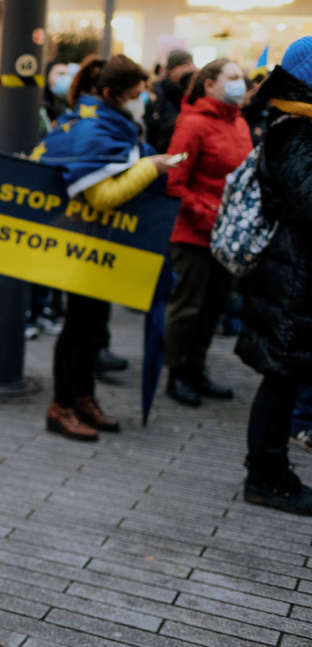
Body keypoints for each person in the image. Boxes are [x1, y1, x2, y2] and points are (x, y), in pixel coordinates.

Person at [33, 55, 178, 441]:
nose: (143, 100)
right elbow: (100, 196)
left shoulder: (110, 122)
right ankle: (61, 407)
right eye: (136, 94)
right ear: (113, 94)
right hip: (81, 242)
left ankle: (83, 398)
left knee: (94, 328)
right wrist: (151, 167)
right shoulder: (94, 127)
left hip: (100, 244)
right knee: (78, 329)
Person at [235, 37, 312, 514]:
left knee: (285, 377)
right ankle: (266, 477)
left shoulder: (297, 129)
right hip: (293, 279)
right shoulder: (294, 134)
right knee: (281, 378)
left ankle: (269, 471)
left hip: (296, 276)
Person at [164, 59, 252, 407]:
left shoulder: (239, 122)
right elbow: (174, 182)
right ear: (210, 84)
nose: (240, 83)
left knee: (214, 307)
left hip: (226, 236)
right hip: (194, 234)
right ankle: (177, 373)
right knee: (188, 307)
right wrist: (206, 214)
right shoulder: (193, 123)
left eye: (241, 77)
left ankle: (196, 369)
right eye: (232, 77)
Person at [144, 49, 196, 153]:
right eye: (185, 64)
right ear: (171, 70)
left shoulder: (193, 94)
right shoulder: (157, 95)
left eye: (192, 64)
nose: (191, 68)